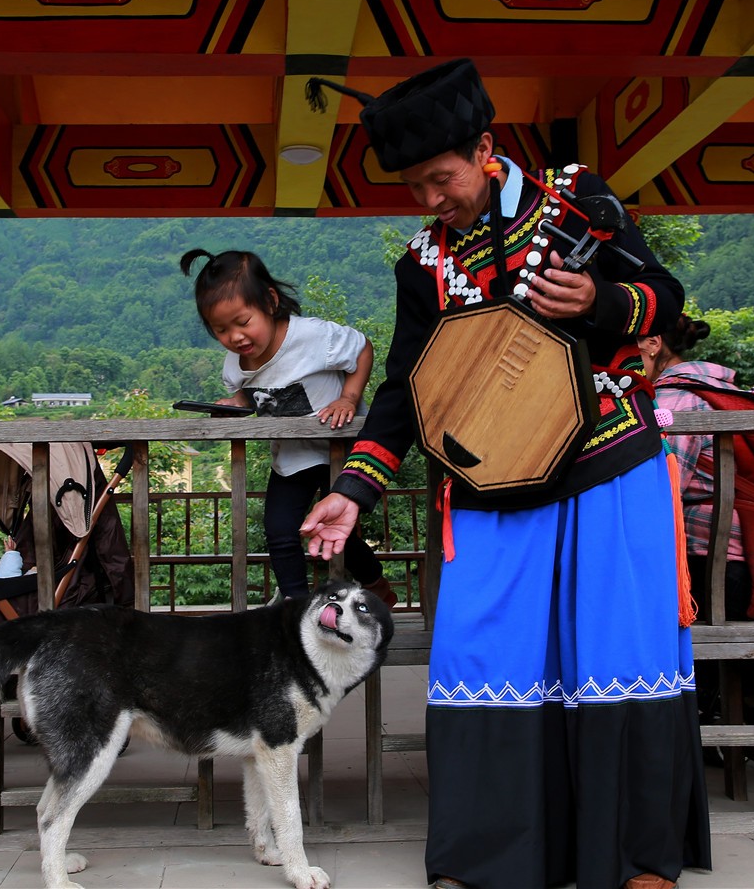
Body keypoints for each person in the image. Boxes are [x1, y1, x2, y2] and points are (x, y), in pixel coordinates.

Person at [298, 59, 709, 889]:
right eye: (414, 187)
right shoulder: (422, 265)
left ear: (485, 150)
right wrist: (352, 491)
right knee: (485, 655)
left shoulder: (575, 199)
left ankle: (634, 855)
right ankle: (489, 858)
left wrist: (597, 303)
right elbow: (406, 390)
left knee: (615, 648)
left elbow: (664, 296)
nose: (430, 199)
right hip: (490, 483)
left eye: (441, 179)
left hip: (607, 465)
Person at [179, 248, 396, 607]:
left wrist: (349, 397)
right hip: (292, 457)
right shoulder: (235, 365)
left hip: (340, 451)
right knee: (280, 530)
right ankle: (296, 608)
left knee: (337, 526)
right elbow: (252, 397)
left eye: (243, 321)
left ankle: (375, 585)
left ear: (270, 301)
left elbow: (362, 350)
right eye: (221, 330)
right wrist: (236, 405)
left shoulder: (311, 336)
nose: (235, 337)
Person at [639, 314, 750, 620]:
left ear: (653, 344)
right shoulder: (722, 389)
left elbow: (662, 490)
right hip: (747, 558)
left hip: (711, 568)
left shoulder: (673, 400)